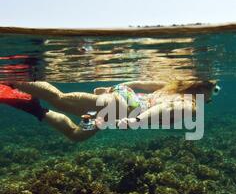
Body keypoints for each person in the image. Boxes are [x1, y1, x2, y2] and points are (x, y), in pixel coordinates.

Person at [0, 80, 221, 142]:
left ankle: (34, 108)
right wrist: (136, 121)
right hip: (125, 108)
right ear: (203, 89)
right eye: (213, 94)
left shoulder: (172, 86)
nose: (210, 101)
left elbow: (139, 82)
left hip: (122, 102)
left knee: (77, 135)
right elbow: (167, 107)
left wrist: (115, 88)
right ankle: (12, 80)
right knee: (62, 101)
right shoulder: (191, 105)